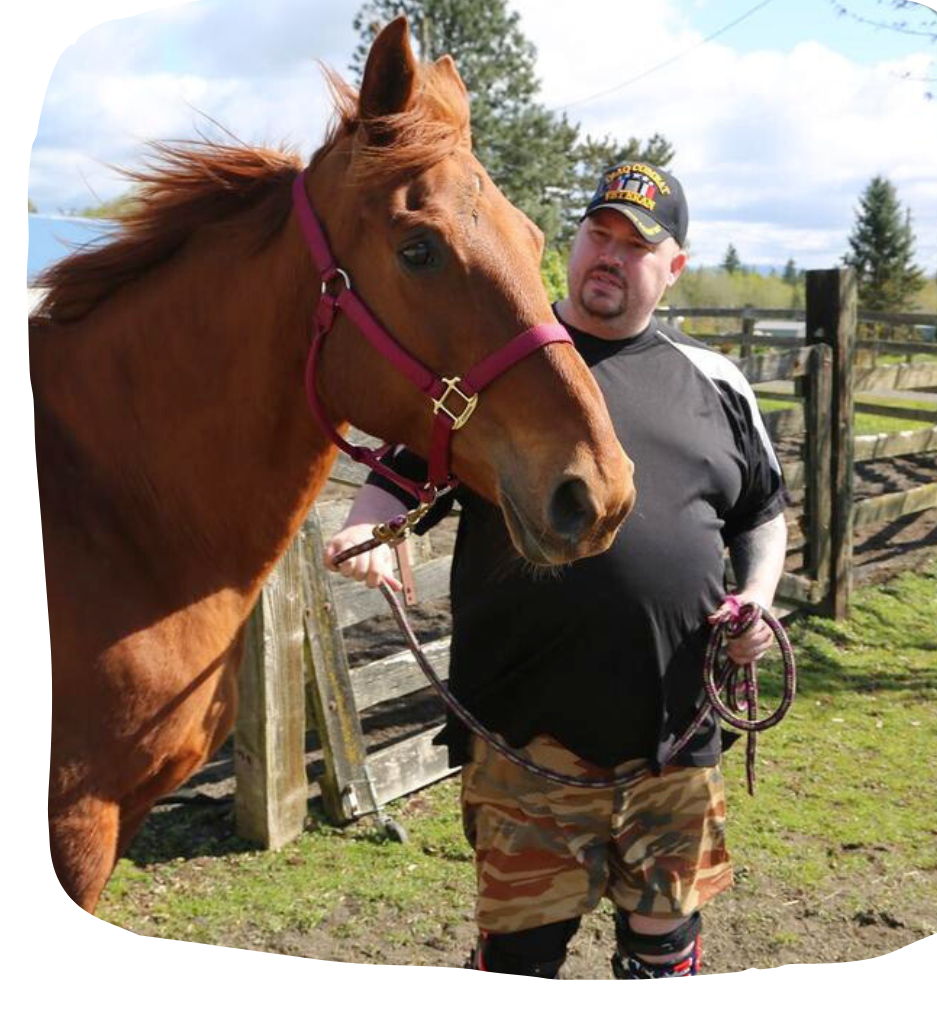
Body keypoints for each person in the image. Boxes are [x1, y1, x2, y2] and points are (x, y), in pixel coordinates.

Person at [325, 162, 788, 978]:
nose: (608, 257)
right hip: (526, 742)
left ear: (672, 267)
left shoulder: (716, 383)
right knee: (521, 958)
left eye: (635, 245)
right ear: (571, 243)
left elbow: (762, 513)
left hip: (675, 738)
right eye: (597, 235)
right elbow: (399, 472)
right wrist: (369, 526)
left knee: (663, 946)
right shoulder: (497, 366)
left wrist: (755, 597)